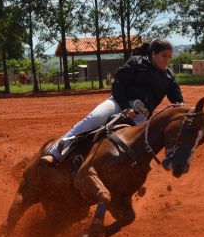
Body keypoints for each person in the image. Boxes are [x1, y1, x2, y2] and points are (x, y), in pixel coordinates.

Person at [40, 38, 185, 165]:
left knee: (144, 146)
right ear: (153, 54)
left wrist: (182, 106)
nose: (167, 60)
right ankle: (56, 153)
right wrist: (125, 107)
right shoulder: (136, 62)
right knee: (95, 118)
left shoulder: (169, 76)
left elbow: (177, 99)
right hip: (118, 103)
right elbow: (118, 86)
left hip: (141, 117)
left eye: (169, 57)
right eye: (164, 55)